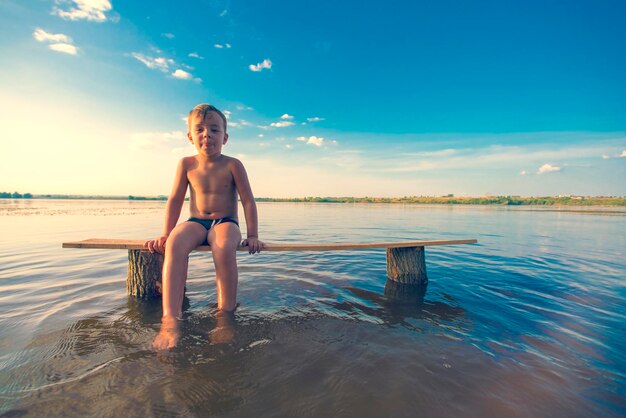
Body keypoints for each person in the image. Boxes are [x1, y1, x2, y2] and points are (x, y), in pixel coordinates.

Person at [145, 103, 264, 350]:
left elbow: (248, 201)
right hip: (196, 221)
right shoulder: (186, 164)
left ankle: (225, 318)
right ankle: (169, 320)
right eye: (199, 129)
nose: (206, 134)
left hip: (225, 222)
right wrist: (166, 234)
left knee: (222, 247)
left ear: (225, 137)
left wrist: (252, 235)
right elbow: (176, 199)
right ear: (190, 136)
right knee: (175, 244)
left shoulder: (233, 164)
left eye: (214, 129)